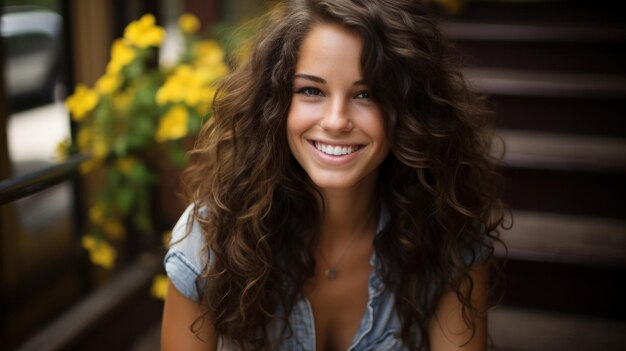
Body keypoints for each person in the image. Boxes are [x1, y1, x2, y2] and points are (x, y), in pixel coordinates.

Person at [161, 0, 507, 350]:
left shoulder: (449, 235)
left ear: (409, 109)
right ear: (275, 102)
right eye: (312, 90)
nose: (336, 121)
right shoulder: (210, 238)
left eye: (366, 94)